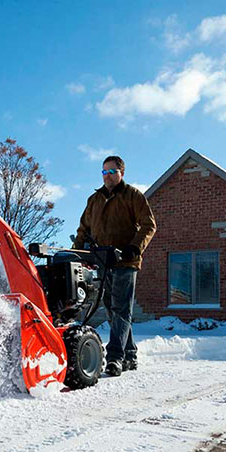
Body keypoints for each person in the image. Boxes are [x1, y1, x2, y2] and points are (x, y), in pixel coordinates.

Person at [73, 155, 156, 377]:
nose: (107, 176)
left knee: (121, 308)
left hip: (125, 260)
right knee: (111, 308)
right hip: (103, 260)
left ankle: (115, 358)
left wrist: (135, 247)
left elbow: (149, 224)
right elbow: (84, 230)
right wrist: (76, 252)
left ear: (121, 172)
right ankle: (130, 354)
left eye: (111, 172)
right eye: (104, 172)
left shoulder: (132, 196)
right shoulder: (95, 199)